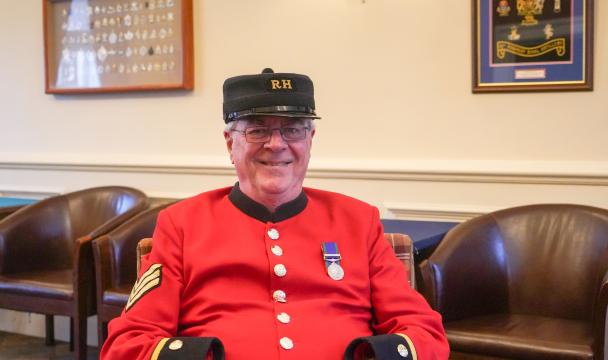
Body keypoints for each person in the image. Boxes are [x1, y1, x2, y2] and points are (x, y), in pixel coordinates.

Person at [101, 68, 449, 360]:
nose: (277, 144)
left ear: (310, 138)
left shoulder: (358, 221)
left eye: (292, 128)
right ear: (230, 143)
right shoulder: (182, 224)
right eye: (257, 129)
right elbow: (128, 344)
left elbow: (424, 332)